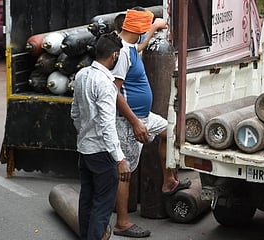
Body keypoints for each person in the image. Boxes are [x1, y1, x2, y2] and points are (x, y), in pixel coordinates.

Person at [111, 7, 191, 238]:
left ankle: (168, 181)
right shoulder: (122, 54)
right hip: (129, 120)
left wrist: (154, 29)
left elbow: (139, 47)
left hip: (145, 116)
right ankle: (123, 222)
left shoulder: (131, 47)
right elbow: (114, 93)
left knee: (170, 132)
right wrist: (135, 123)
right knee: (124, 171)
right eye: (146, 26)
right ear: (138, 27)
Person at [71, 32, 130, 240]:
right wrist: (120, 159)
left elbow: (75, 114)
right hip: (101, 152)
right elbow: (107, 125)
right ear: (114, 55)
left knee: (86, 199)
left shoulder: (82, 75)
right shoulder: (106, 84)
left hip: (85, 150)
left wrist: (85, 133)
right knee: (102, 204)